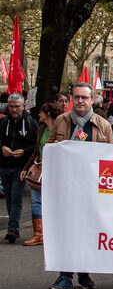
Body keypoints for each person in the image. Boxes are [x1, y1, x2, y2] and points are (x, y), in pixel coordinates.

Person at [47, 82, 113, 289]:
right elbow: (48, 149)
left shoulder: (103, 125)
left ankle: (84, 272)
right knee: (68, 230)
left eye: (84, 97)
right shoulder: (61, 121)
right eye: (76, 97)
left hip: (91, 190)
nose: (80, 101)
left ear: (92, 99)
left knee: (87, 231)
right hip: (67, 187)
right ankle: (65, 277)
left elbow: (112, 160)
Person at [19, 102, 59, 246]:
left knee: (53, 202)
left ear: (48, 113)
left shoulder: (60, 128)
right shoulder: (41, 129)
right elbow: (37, 151)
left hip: (55, 171)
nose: (38, 114)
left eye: (41, 112)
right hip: (40, 170)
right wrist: (26, 167)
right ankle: (38, 234)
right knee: (36, 201)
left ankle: (53, 232)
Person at [0, 93, 38, 243]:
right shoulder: (3, 123)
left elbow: (35, 144)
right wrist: (2, 148)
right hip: (4, 165)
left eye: (17, 107)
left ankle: (13, 228)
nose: (14, 110)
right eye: (11, 107)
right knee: (9, 197)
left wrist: (24, 151)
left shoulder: (30, 122)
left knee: (16, 196)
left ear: (23, 106)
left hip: (21, 167)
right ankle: (12, 224)